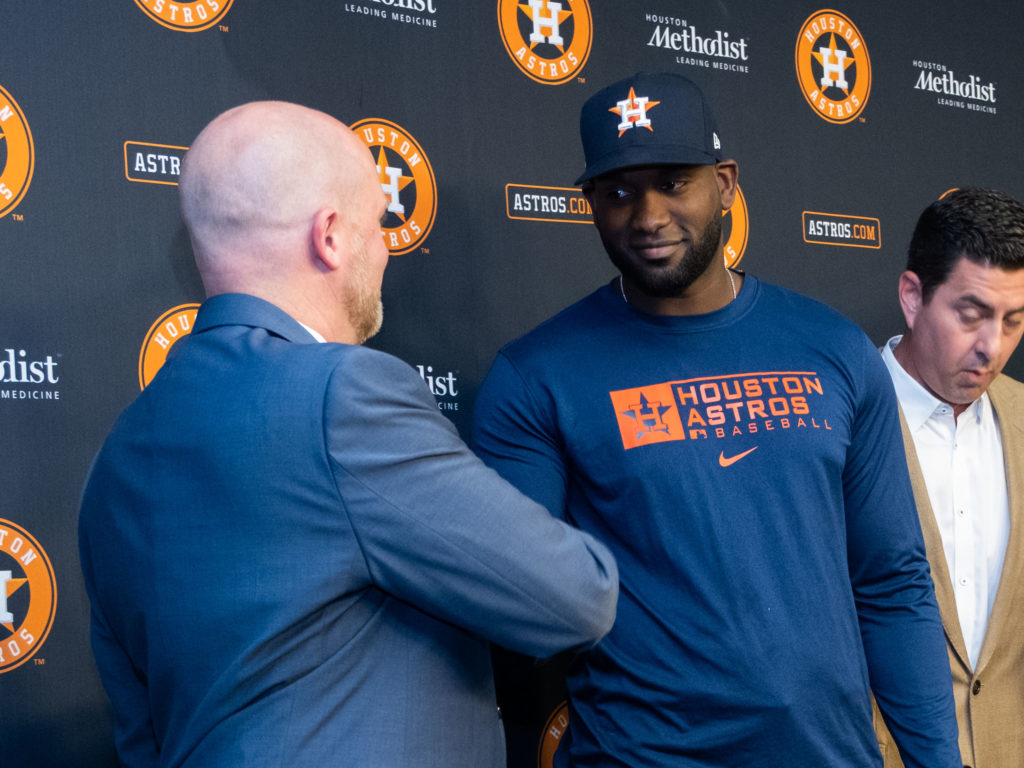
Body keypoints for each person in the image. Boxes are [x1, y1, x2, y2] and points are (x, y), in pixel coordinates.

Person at [78, 101, 618, 768]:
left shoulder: (117, 455)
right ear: (329, 235)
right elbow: (573, 597)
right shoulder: (345, 398)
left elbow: (140, 734)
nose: (387, 248)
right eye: (379, 226)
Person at [472, 72, 961, 767]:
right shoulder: (536, 377)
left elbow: (890, 582)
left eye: (674, 182)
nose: (646, 216)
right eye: (617, 192)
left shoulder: (833, 347)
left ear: (726, 183)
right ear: (589, 204)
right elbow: (520, 607)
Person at [875, 187, 1024, 768]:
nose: (993, 346)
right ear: (913, 297)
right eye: (972, 315)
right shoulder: (838, 422)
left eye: (1015, 321)